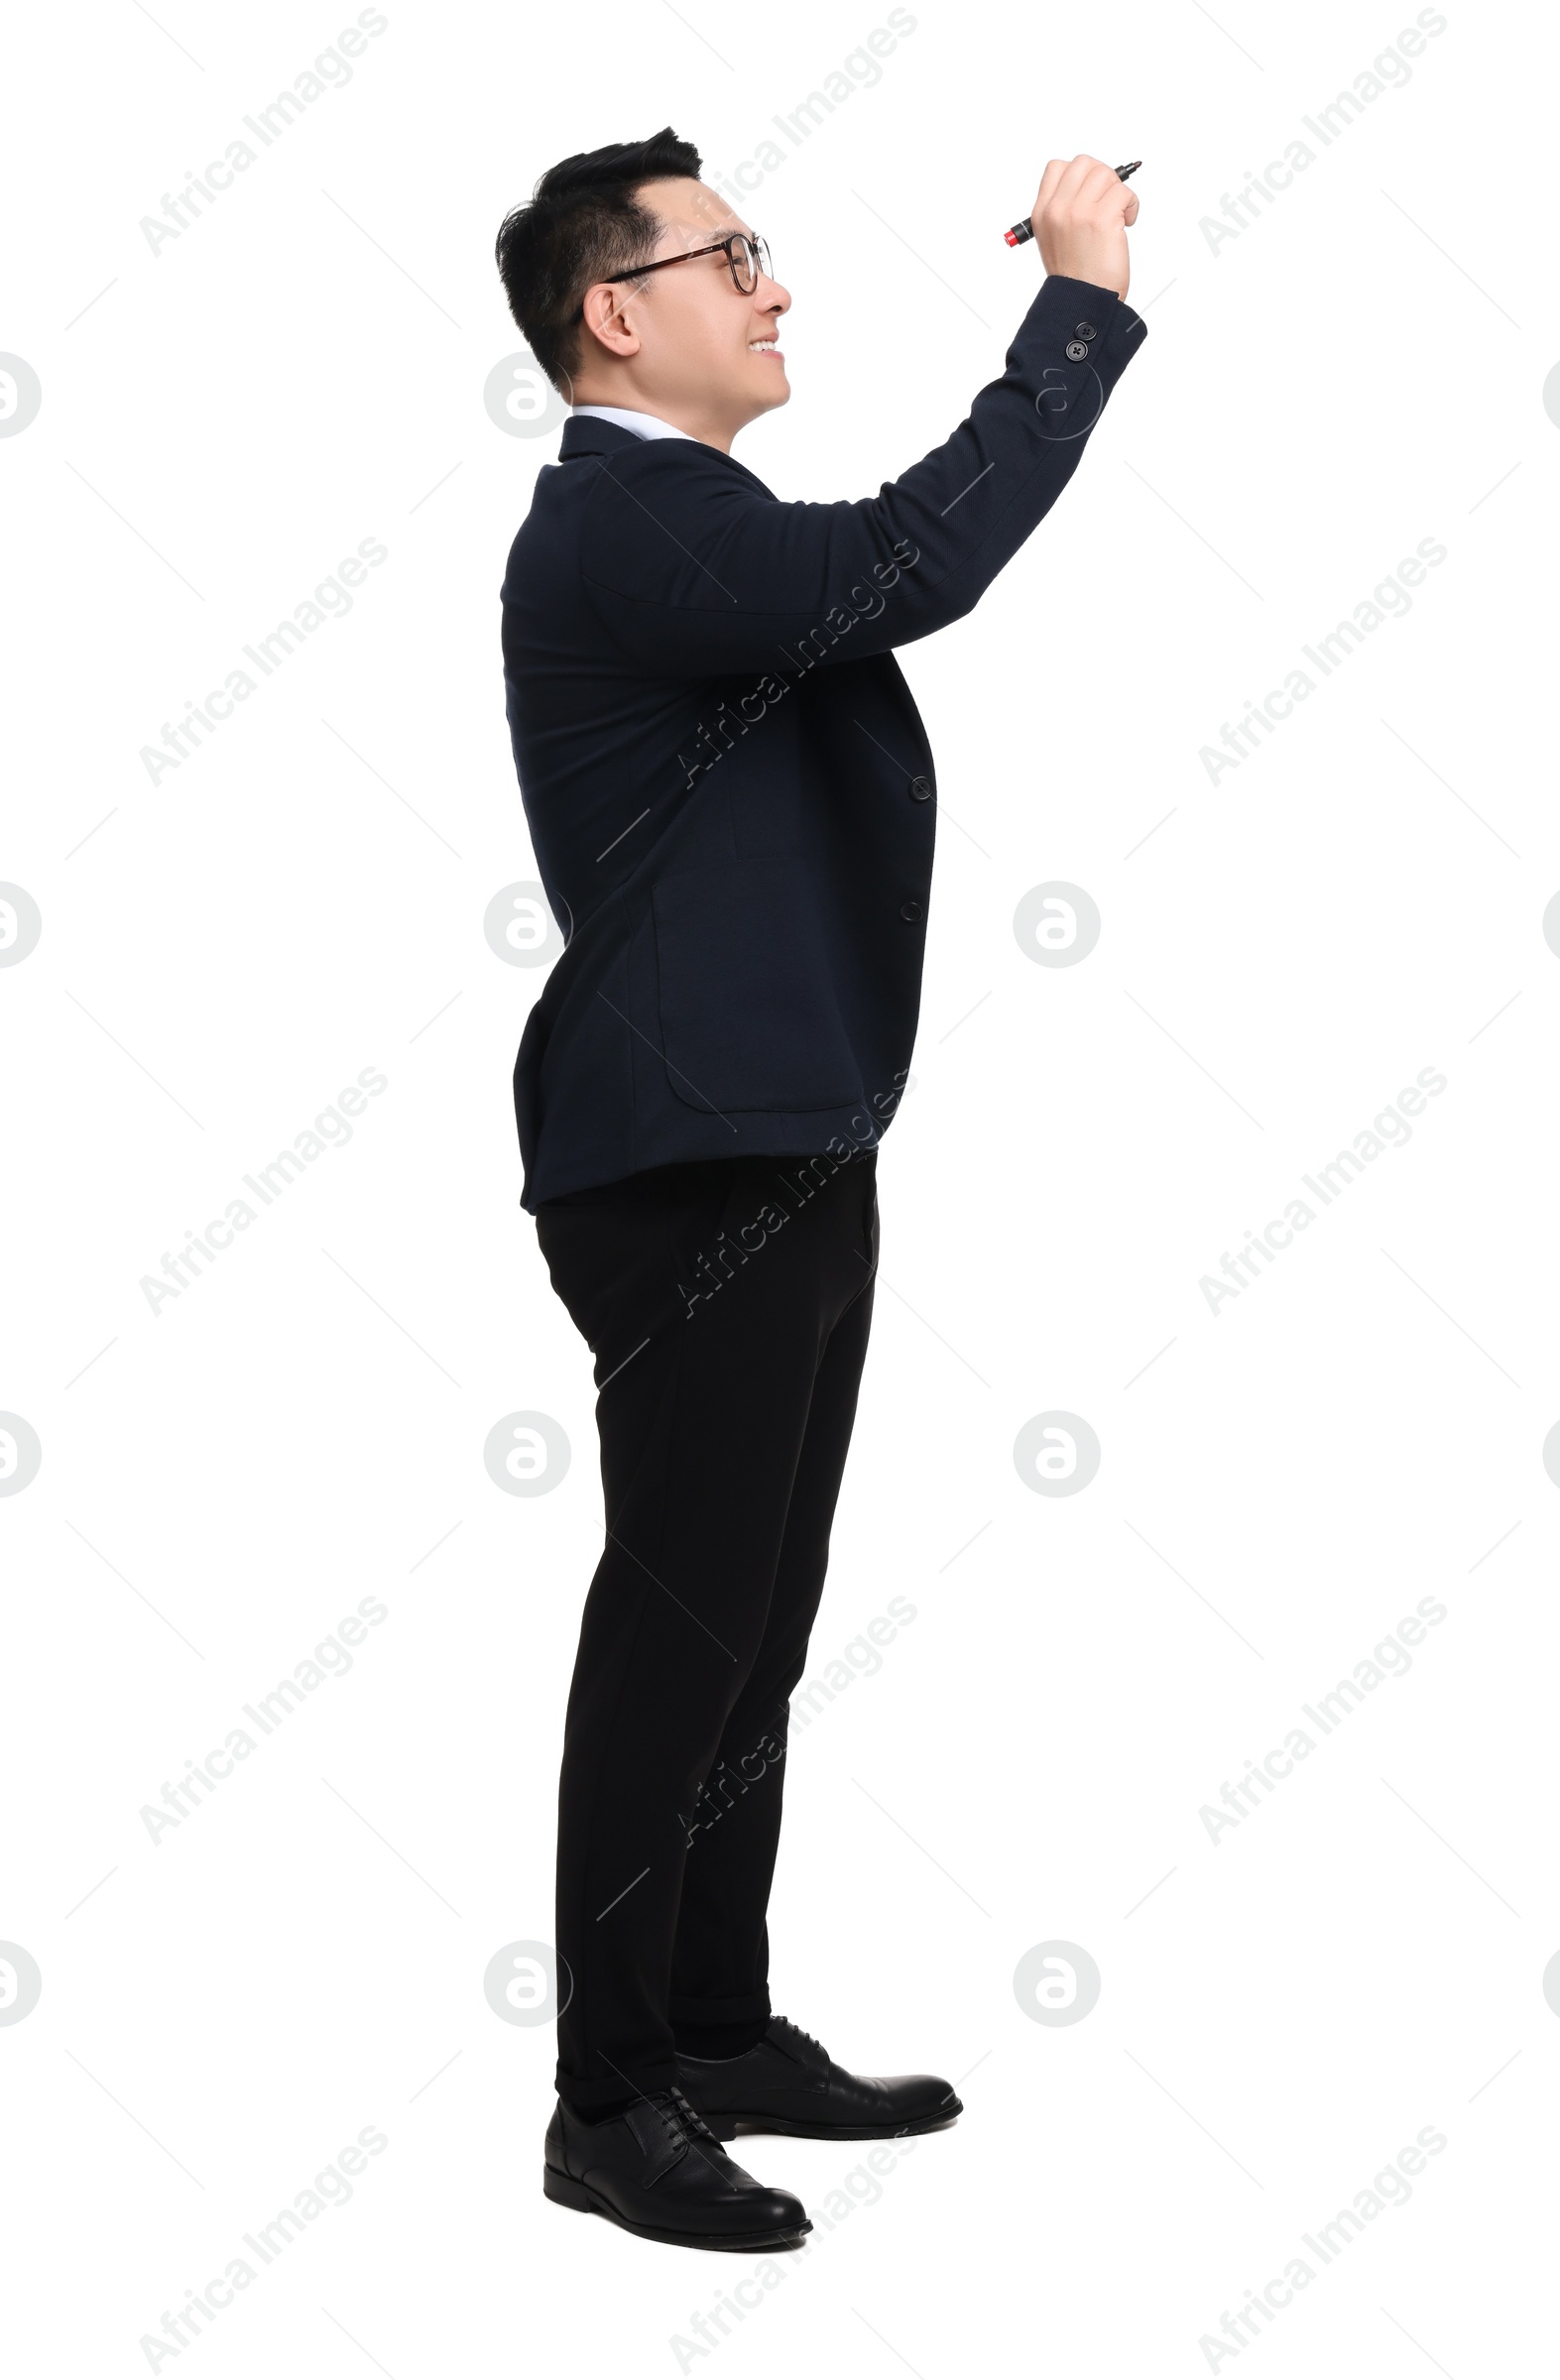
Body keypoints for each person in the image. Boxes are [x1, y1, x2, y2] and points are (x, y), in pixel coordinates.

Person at [494, 127, 1144, 2252]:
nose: (773, 289)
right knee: (680, 1624)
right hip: (680, 1156)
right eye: (729, 258)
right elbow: (909, 566)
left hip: (782, 1141)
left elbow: (861, 584)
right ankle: (607, 2102)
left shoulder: (696, 522)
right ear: (617, 312)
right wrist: (1075, 309)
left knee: (751, 1622)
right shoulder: (622, 525)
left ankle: (708, 2018)